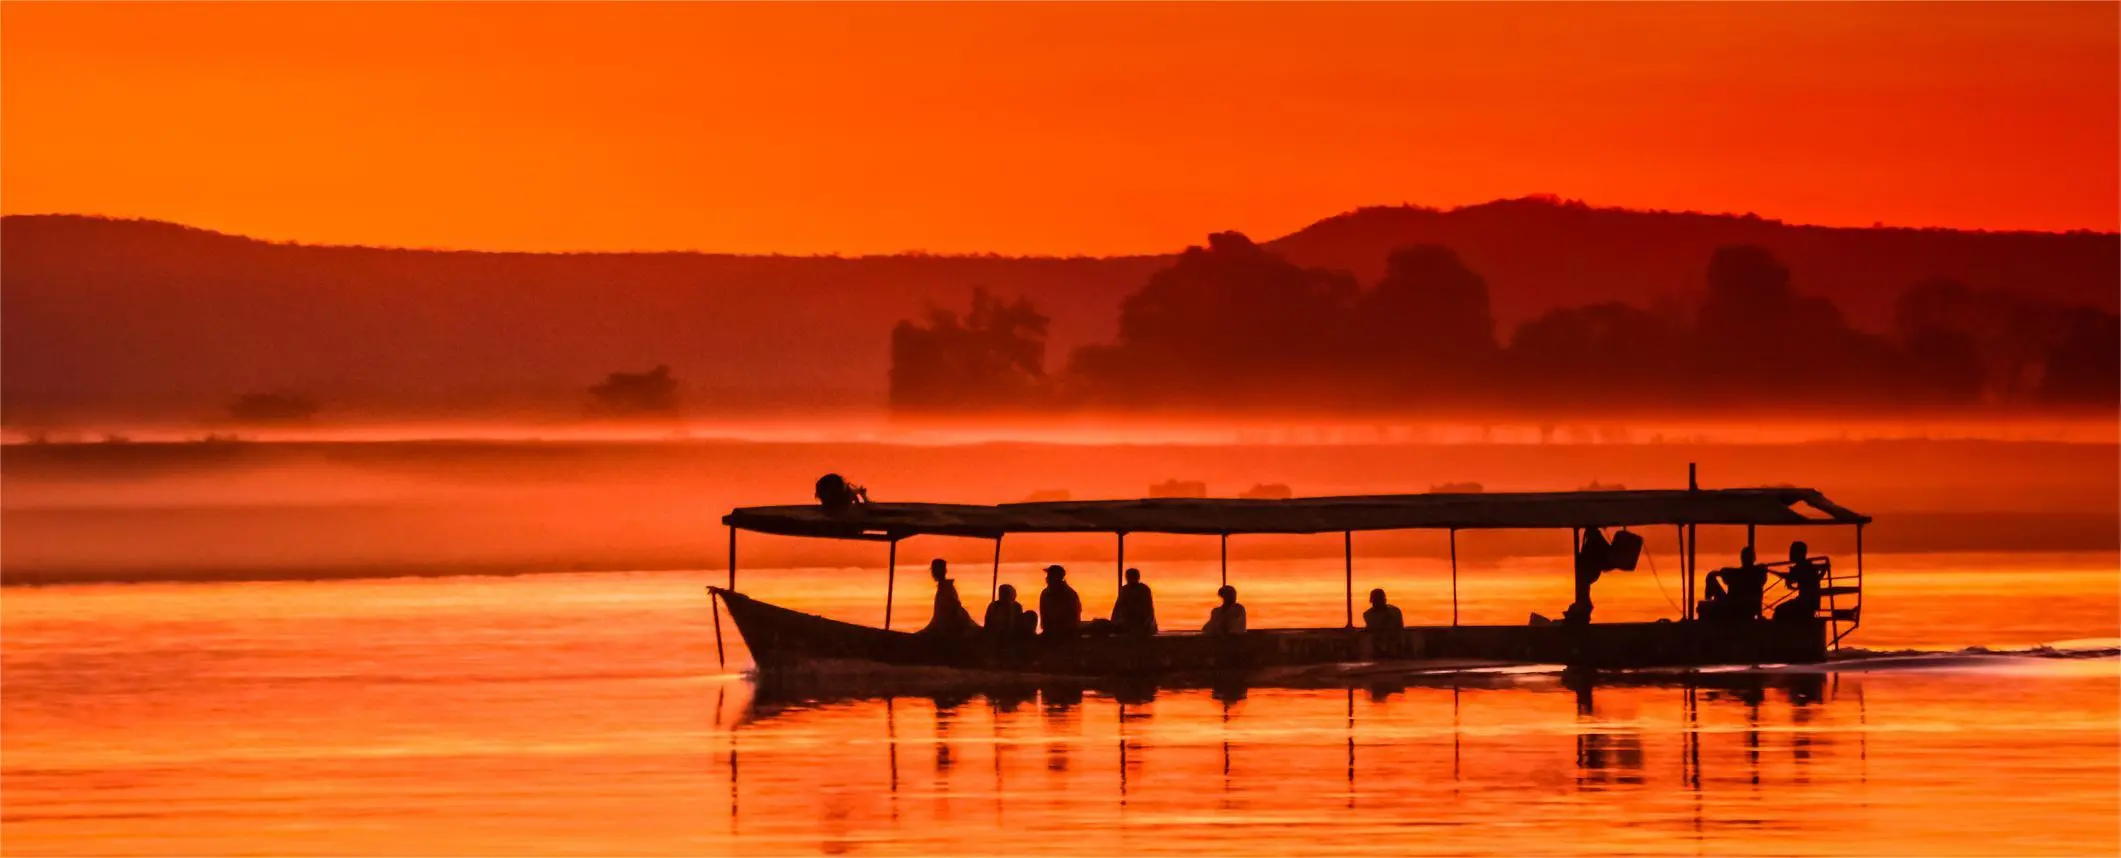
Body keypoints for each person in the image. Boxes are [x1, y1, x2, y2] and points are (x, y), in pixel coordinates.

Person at [1699, 546, 1770, 622]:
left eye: (1745, 557)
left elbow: (1761, 580)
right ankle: (1709, 604)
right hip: (1734, 604)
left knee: (1711, 577)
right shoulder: (1739, 573)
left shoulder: (1758, 572)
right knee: (1711, 576)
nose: (1744, 559)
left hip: (1736, 606)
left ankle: (1710, 608)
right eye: (1743, 557)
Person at [919, 558, 975, 637]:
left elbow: (950, 611)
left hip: (946, 629)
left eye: (934, 570)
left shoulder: (946, 588)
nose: (932, 573)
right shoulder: (944, 587)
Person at [1774, 541, 1824, 623]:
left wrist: (1770, 571)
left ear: (1798, 553)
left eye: (1792, 551)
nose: (1790, 554)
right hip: (1810, 603)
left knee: (1779, 610)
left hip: (1805, 605)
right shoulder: (1808, 566)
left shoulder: (1802, 567)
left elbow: (1790, 576)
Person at [1110, 567, 1158, 636]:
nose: (1130, 578)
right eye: (1129, 577)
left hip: (1141, 622)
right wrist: (1114, 621)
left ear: (1138, 577)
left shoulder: (1143, 589)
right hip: (1127, 621)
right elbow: (1117, 607)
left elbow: (1149, 608)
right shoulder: (1124, 590)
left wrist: (1148, 622)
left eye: (1133, 576)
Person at [1038, 564, 1082, 640]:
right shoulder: (1045, 593)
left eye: (1049, 576)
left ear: (1056, 577)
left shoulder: (1069, 594)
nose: (1047, 578)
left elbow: (1073, 617)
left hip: (1065, 634)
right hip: (1050, 633)